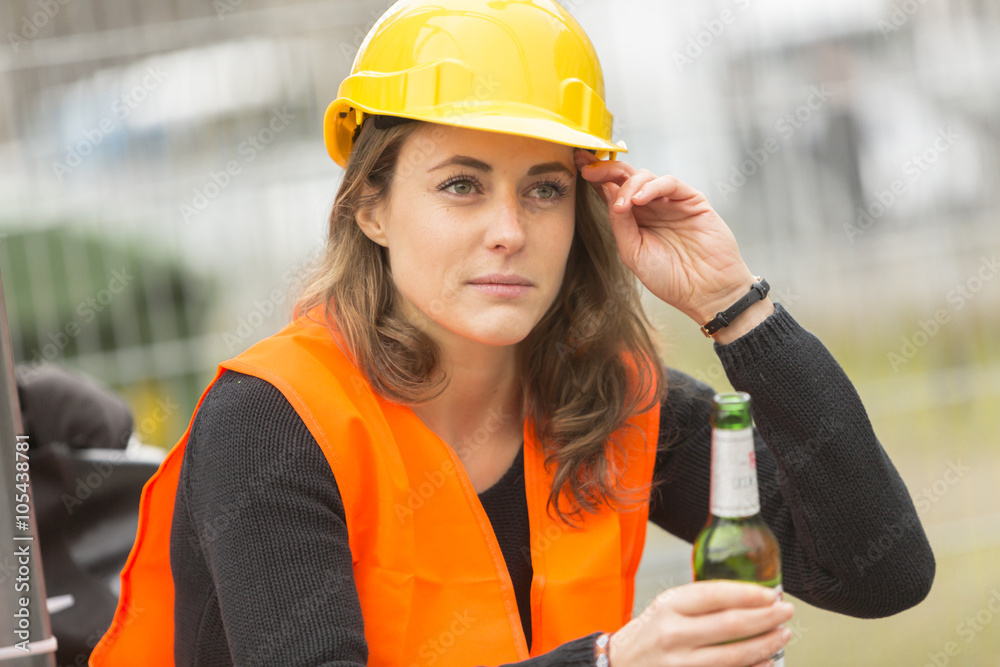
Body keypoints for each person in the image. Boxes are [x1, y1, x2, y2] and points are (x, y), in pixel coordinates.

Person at [91, 1, 935, 665]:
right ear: (372, 207)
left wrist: (736, 307)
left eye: (543, 190)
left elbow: (878, 570)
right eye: (462, 185)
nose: (509, 229)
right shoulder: (273, 420)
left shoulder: (609, 397)